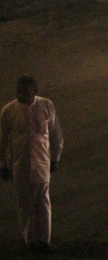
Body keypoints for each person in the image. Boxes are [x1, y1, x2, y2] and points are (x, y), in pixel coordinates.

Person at [0, 76, 62, 252]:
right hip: (20, 163)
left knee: (43, 200)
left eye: (25, 93)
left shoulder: (46, 106)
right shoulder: (9, 110)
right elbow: (2, 139)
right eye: (19, 92)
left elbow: (56, 133)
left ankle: (43, 239)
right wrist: (2, 164)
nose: (21, 96)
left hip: (42, 162)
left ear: (34, 92)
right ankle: (30, 239)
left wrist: (55, 158)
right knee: (24, 201)